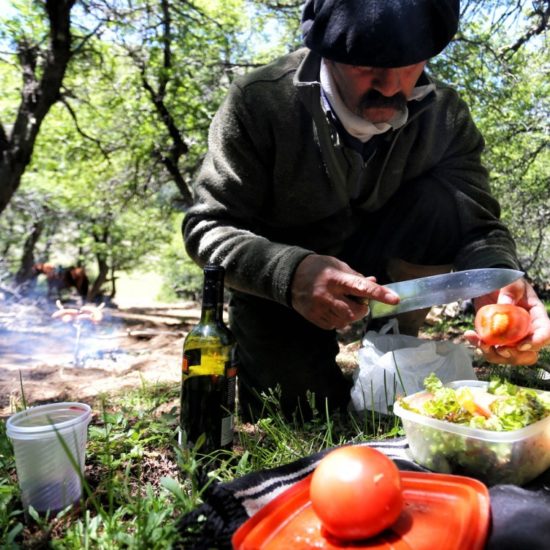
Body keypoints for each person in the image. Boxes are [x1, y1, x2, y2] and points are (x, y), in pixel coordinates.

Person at [183, 0, 550, 421]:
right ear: (328, 52)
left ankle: (393, 335)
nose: (392, 86)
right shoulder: (261, 103)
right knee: (298, 411)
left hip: (387, 272)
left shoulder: (444, 116)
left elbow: (478, 226)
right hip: (284, 289)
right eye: (366, 65)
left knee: (443, 202)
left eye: (409, 64)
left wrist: (498, 279)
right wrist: (289, 274)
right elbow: (207, 226)